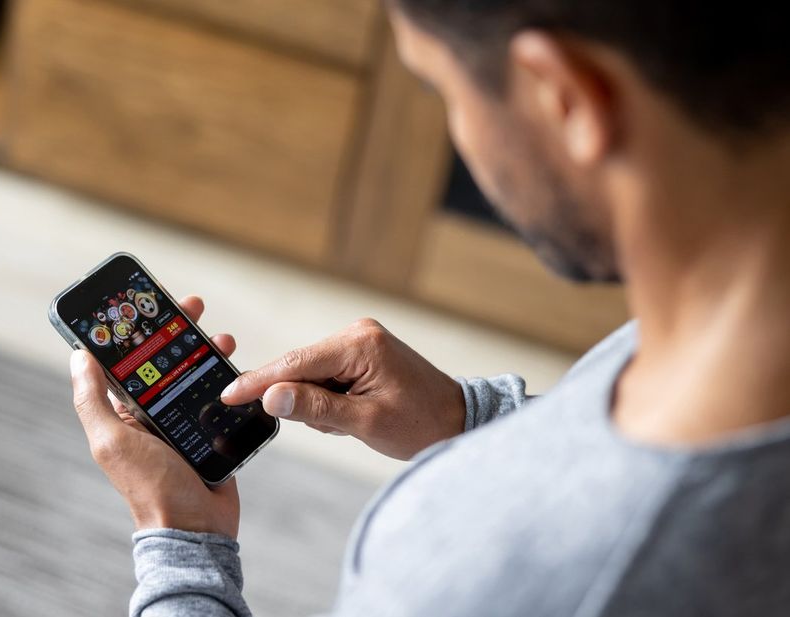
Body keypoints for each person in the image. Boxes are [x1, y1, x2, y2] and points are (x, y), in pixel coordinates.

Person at [66, 0, 790, 614]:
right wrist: (467, 417)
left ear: (562, 95)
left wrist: (182, 543)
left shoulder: (474, 577)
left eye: (438, 86)